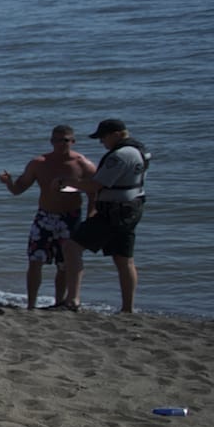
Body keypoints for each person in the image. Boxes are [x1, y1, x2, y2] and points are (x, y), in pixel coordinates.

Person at [0, 125, 95, 309]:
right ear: (51, 142)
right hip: (44, 217)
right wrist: (8, 183)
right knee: (35, 261)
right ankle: (31, 304)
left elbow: (95, 193)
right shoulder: (39, 163)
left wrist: (90, 219)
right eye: (57, 140)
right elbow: (19, 189)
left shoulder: (83, 164)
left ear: (73, 141)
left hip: (70, 218)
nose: (61, 144)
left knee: (64, 265)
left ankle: (59, 302)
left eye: (65, 140)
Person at [73, 118, 150, 314]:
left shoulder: (120, 155)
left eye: (103, 138)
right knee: (124, 259)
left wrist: (68, 182)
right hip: (132, 207)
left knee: (71, 247)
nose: (101, 142)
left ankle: (72, 299)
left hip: (114, 211)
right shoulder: (140, 150)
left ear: (116, 134)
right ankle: (127, 308)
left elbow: (96, 185)